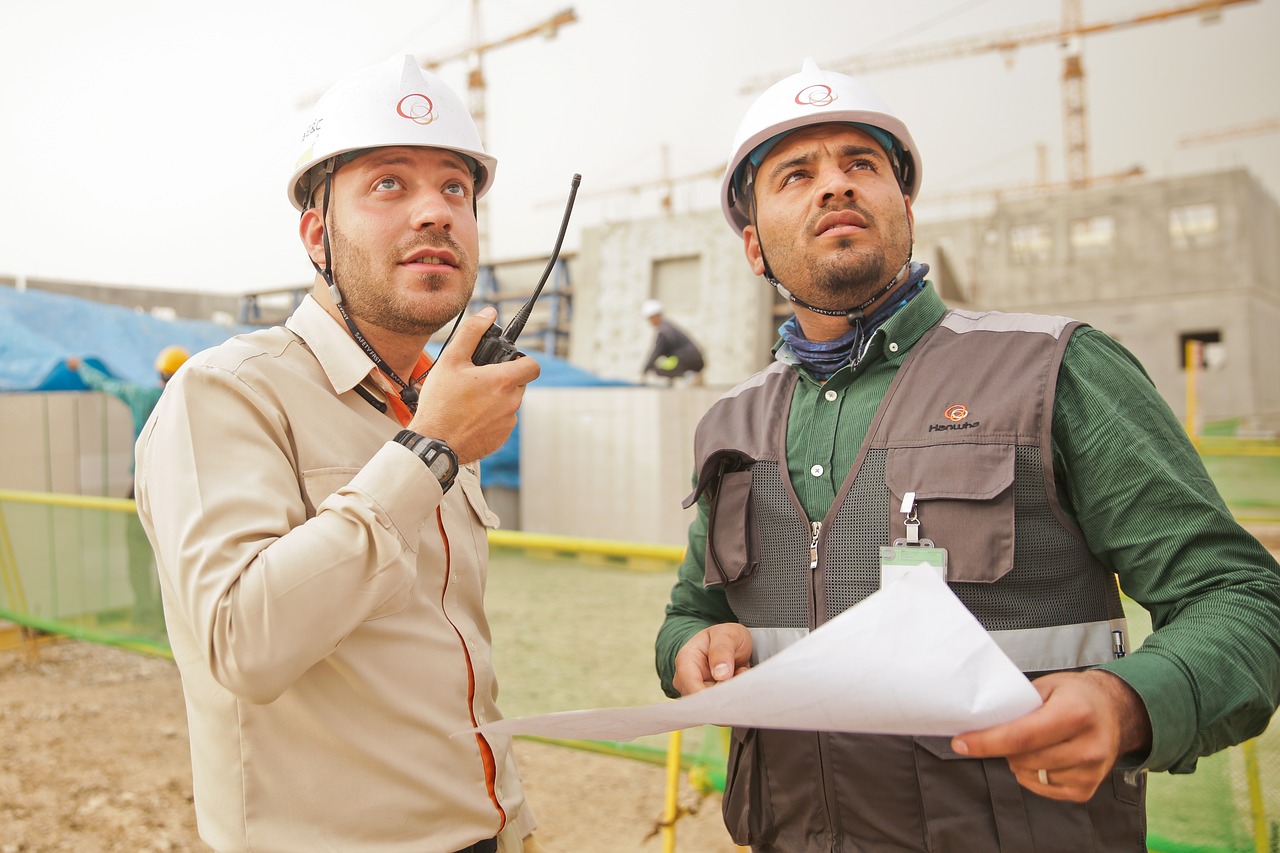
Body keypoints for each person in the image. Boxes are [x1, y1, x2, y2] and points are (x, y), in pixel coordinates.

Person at [654, 59, 1280, 852]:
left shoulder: (1054, 370)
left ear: (905, 206)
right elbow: (692, 614)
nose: (835, 185)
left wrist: (1129, 702)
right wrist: (690, 649)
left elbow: (1241, 596)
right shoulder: (729, 425)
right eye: (796, 175)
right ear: (753, 246)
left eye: (862, 164)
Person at [134, 55, 542, 853]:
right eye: (389, 183)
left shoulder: (435, 400)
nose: (436, 211)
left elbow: (445, 654)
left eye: (456, 188)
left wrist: (512, 819)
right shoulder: (227, 392)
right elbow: (242, 644)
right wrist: (428, 452)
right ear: (317, 235)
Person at [67, 345, 189, 627]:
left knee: (138, 557)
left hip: (142, 491)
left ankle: (145, 617)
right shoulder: (190, 403)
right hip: (176, 492)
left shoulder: (142, 395)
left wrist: (81, 367)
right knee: (170, 559)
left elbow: (107, 384)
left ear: (160, 373)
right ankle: (170, 622)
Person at [640, 298, 705, 385]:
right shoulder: (668, 327)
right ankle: (691, 375)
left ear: (655, 316)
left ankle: (690, 376)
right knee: (668, 362)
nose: (650, 321)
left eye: (650, 318)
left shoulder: (664, 331)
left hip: (687, 360)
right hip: (695, 360)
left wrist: (645, 369)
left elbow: (657, 351)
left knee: (657, 368)